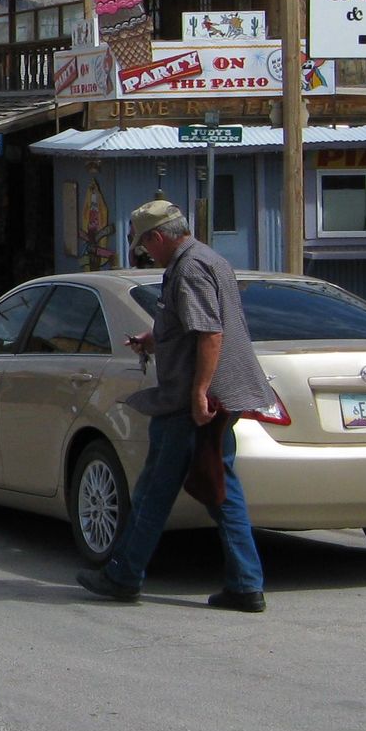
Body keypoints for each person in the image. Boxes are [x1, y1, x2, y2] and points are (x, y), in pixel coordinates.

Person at [78, 198, 272, 612]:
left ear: (158, 237)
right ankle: (245, 584)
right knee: (220, 488)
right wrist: (153, 339)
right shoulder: (209, 259)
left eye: (145, 245)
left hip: (192, 402)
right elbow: (191, 323)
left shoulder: (189, 268)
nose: (146, 253)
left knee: (154, 490)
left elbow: (211, 334)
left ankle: (123, 575)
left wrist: (199, 392)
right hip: (213, 398)